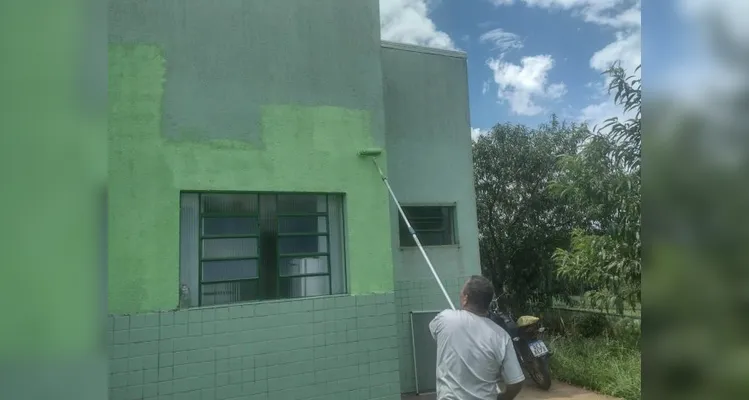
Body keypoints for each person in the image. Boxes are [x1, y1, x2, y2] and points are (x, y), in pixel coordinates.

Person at [429, 275, 525, 400]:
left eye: (462, 293)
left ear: (465, 299)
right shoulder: (501, 336)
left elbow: (435, 333)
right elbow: (516, 382)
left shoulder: (445, 319)